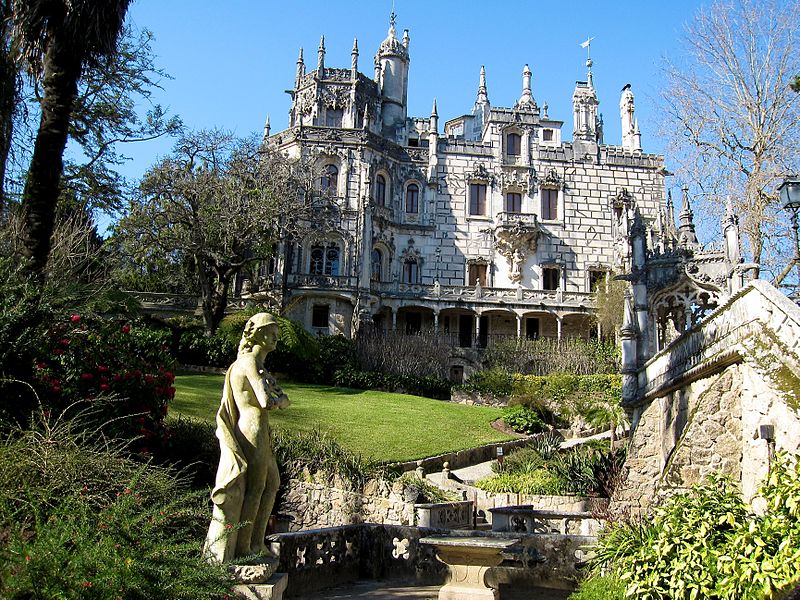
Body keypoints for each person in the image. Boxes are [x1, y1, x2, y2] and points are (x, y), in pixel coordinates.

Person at [204, 313, 290, 563]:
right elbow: (267, 400)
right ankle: (244, 547)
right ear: (258, 334)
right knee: (256, 488)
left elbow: (277, 398)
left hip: (261, 429)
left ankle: (255, 541)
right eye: (271, 332)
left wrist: (280, 399)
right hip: (251, 429)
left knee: (271, 483)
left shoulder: (259, 366)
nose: (276, 337)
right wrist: (280, 401)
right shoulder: (250, 362)